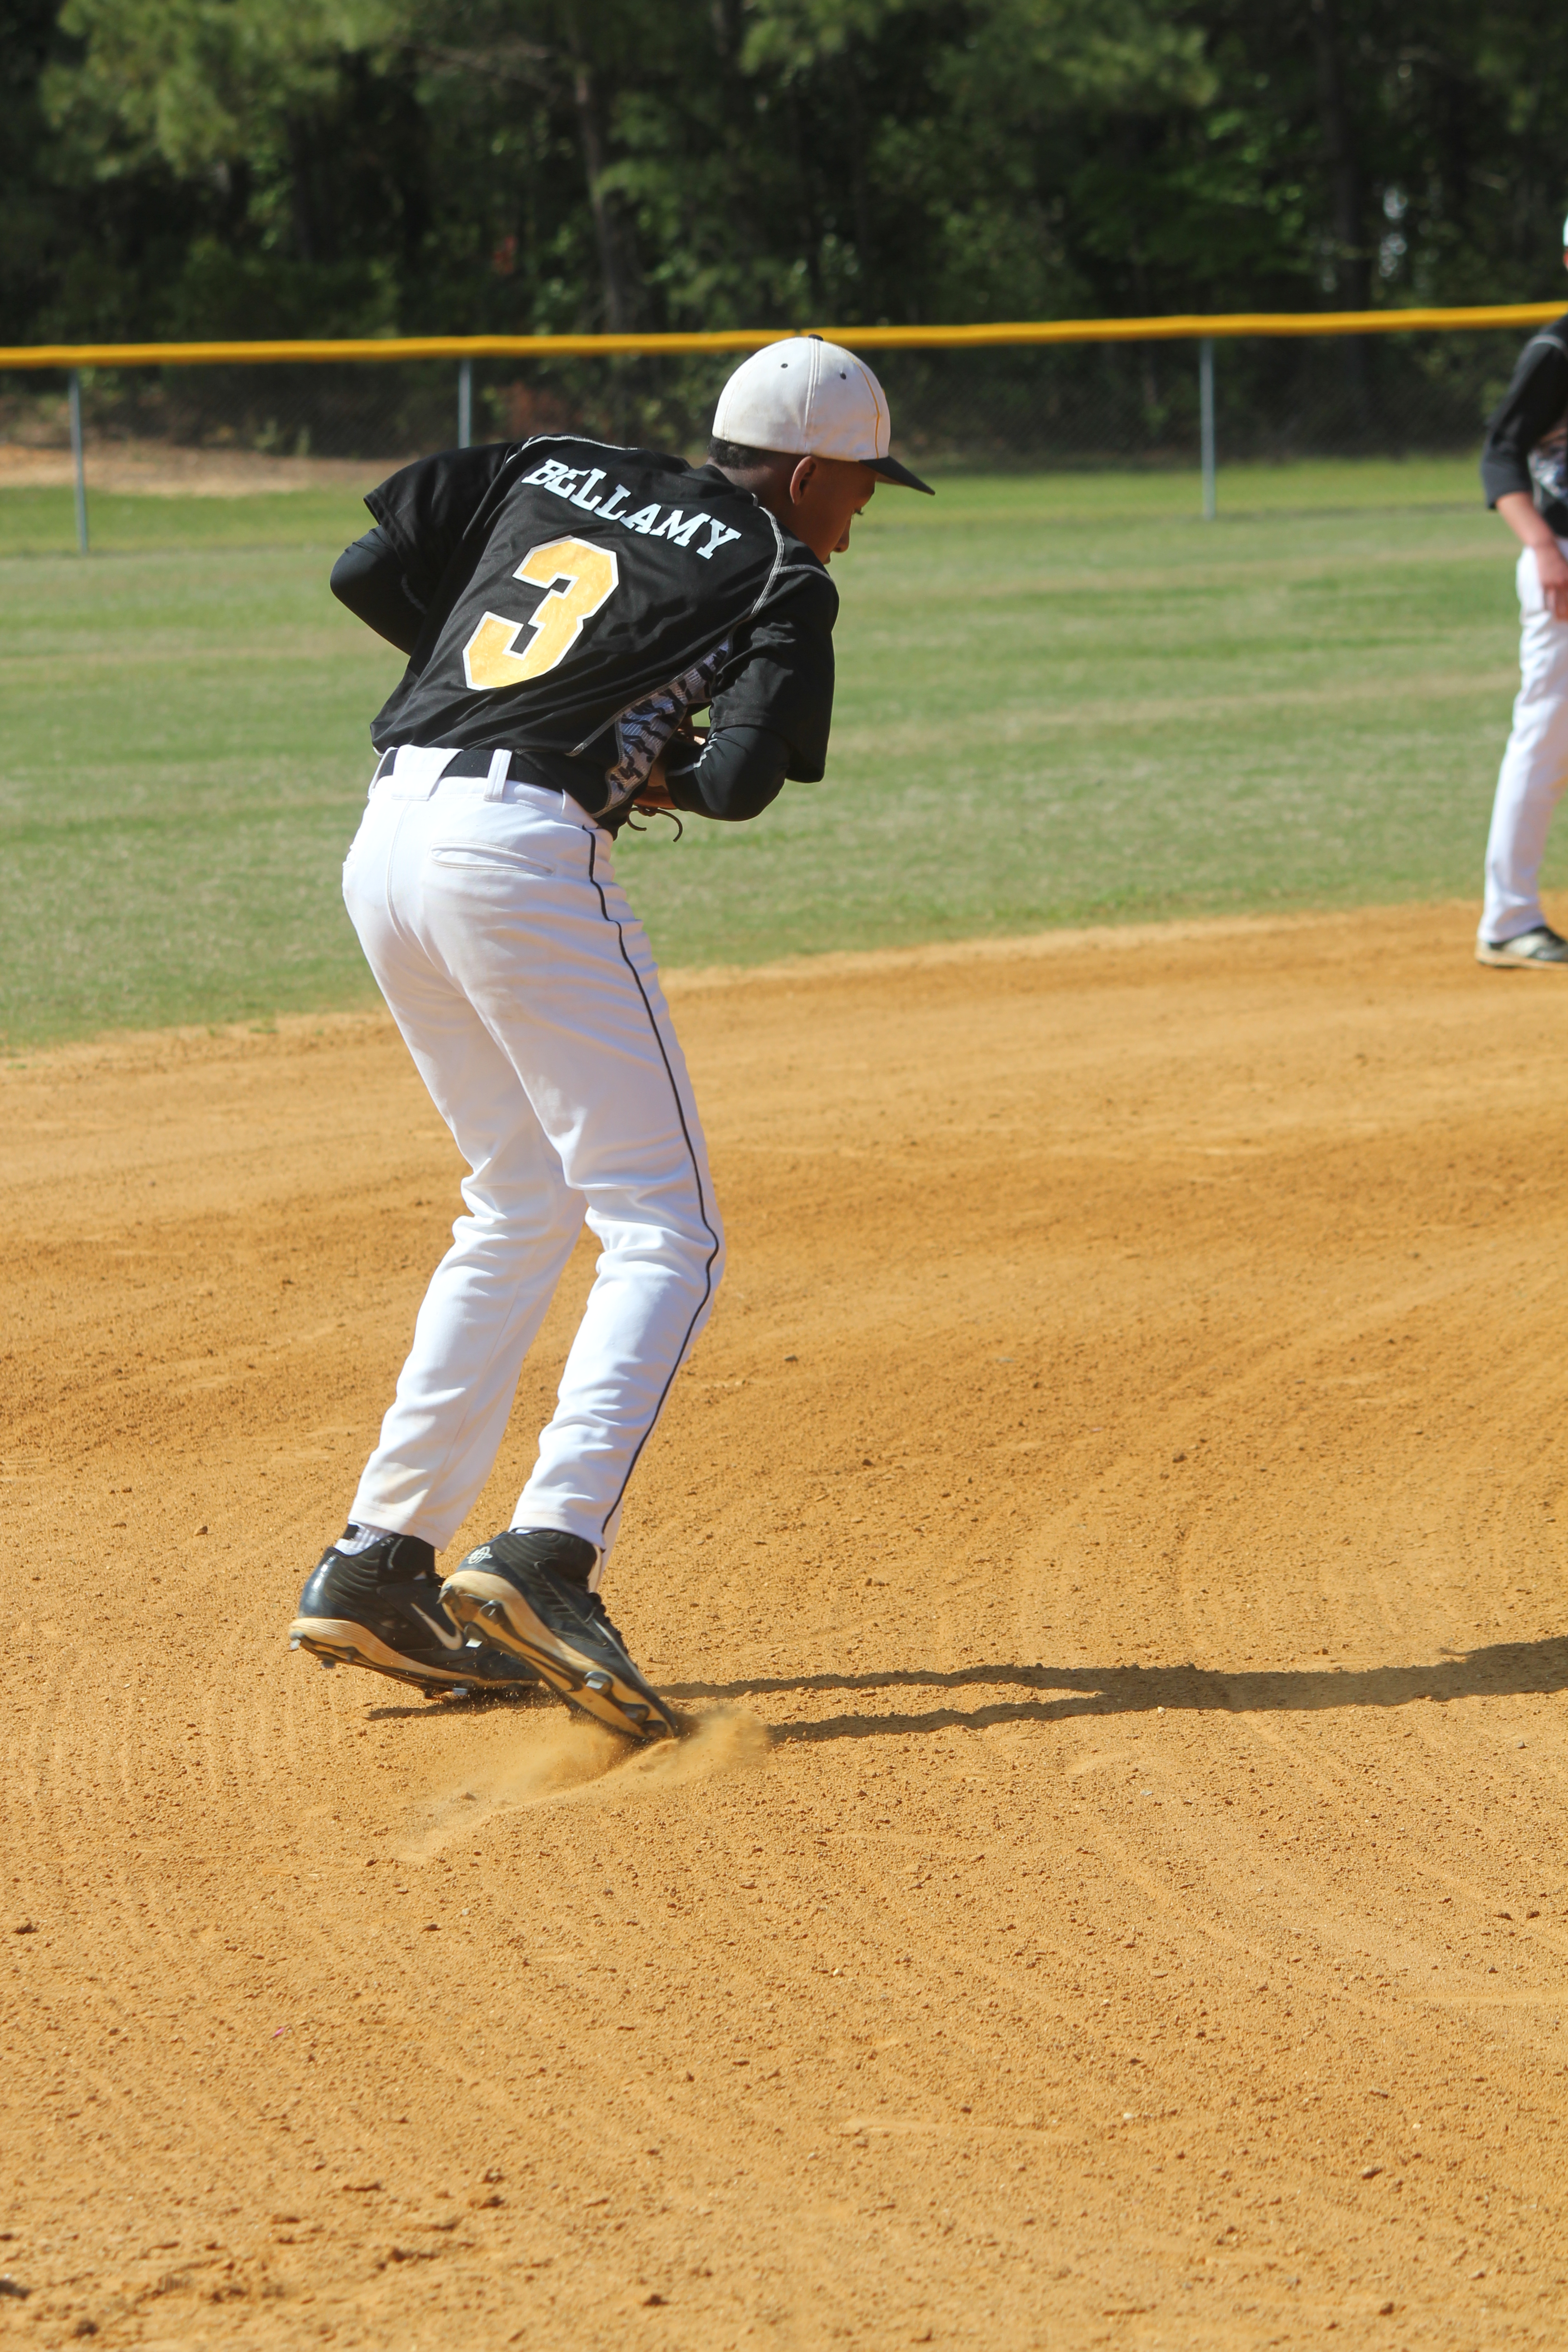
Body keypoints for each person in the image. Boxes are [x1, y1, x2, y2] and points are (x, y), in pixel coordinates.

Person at [288, 336, 933, 1738]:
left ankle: (382, 1558)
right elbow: (748, 779)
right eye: (863, 488)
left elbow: (364, 571)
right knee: (664, 1228)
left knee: (516, 1200)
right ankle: (549, 1551)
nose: (861, 514)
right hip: (519, 857)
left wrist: (516, 697)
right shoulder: (780, 571)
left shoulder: (555, 459)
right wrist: (639, 761)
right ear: (809, 469)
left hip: (389, 833)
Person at [1477, 223, 1568, 966]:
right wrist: (1541, 545)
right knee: (1546, 737)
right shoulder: (1557, 352)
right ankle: (1509, 920)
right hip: (1563, 557)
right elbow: (1500, 454)